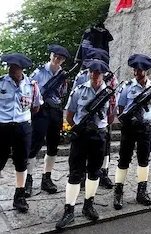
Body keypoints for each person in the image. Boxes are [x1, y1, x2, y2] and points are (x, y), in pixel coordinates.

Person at [56, 60, 115, 230]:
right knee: (75, 173)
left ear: (103, 74)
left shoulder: (110, 93)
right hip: (81, 136)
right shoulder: (79, 91)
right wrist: (79, 128)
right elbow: (69, 115)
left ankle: (88, 204)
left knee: (94, 172)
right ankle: (69, 210)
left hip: (99, 136)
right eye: (91, 72)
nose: (94, 75)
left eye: (98, 73)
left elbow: (110, 118)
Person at [0, 53, 42, 218]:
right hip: (2, 129)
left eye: (14, 67)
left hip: (22, 129)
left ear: (21, 69)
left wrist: (23, 119)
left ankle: (19, 196)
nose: (11, 69)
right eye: (9, 66)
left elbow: (35, 107)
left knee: (21, 162)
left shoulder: (31, 85)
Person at [113, 54, 151, 209]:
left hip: (145, 128)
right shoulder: (127, 87)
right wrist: (128, 121)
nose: (136, 73)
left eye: (139, 70)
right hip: (129, 128)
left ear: (145, 71)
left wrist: (150, 120)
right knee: (123, 160)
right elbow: (120, 110)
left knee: (144, 160)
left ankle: (142, 192)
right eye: (134, 70)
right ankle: (118, 192)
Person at [26, 45, 71, 197]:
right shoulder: (39, 72)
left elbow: (63, 94)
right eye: (55, 56)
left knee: (53, 145)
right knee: (35, 144)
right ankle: (28, 179)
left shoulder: (63, 75)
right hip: (41, 112)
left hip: (55, 111)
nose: (57, 60)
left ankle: (47, 178)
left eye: (61, 58)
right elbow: (29, 90)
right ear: (51, 56)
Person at [72, 47, 116, 189]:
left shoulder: (111, 77)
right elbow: (75, 96)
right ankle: (83, 174)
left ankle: (103, 173)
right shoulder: (82, 76)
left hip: (102, 118)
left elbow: (114, 98)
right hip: (84, 118)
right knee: (83, 149)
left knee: (105, 147)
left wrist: (110, 116)